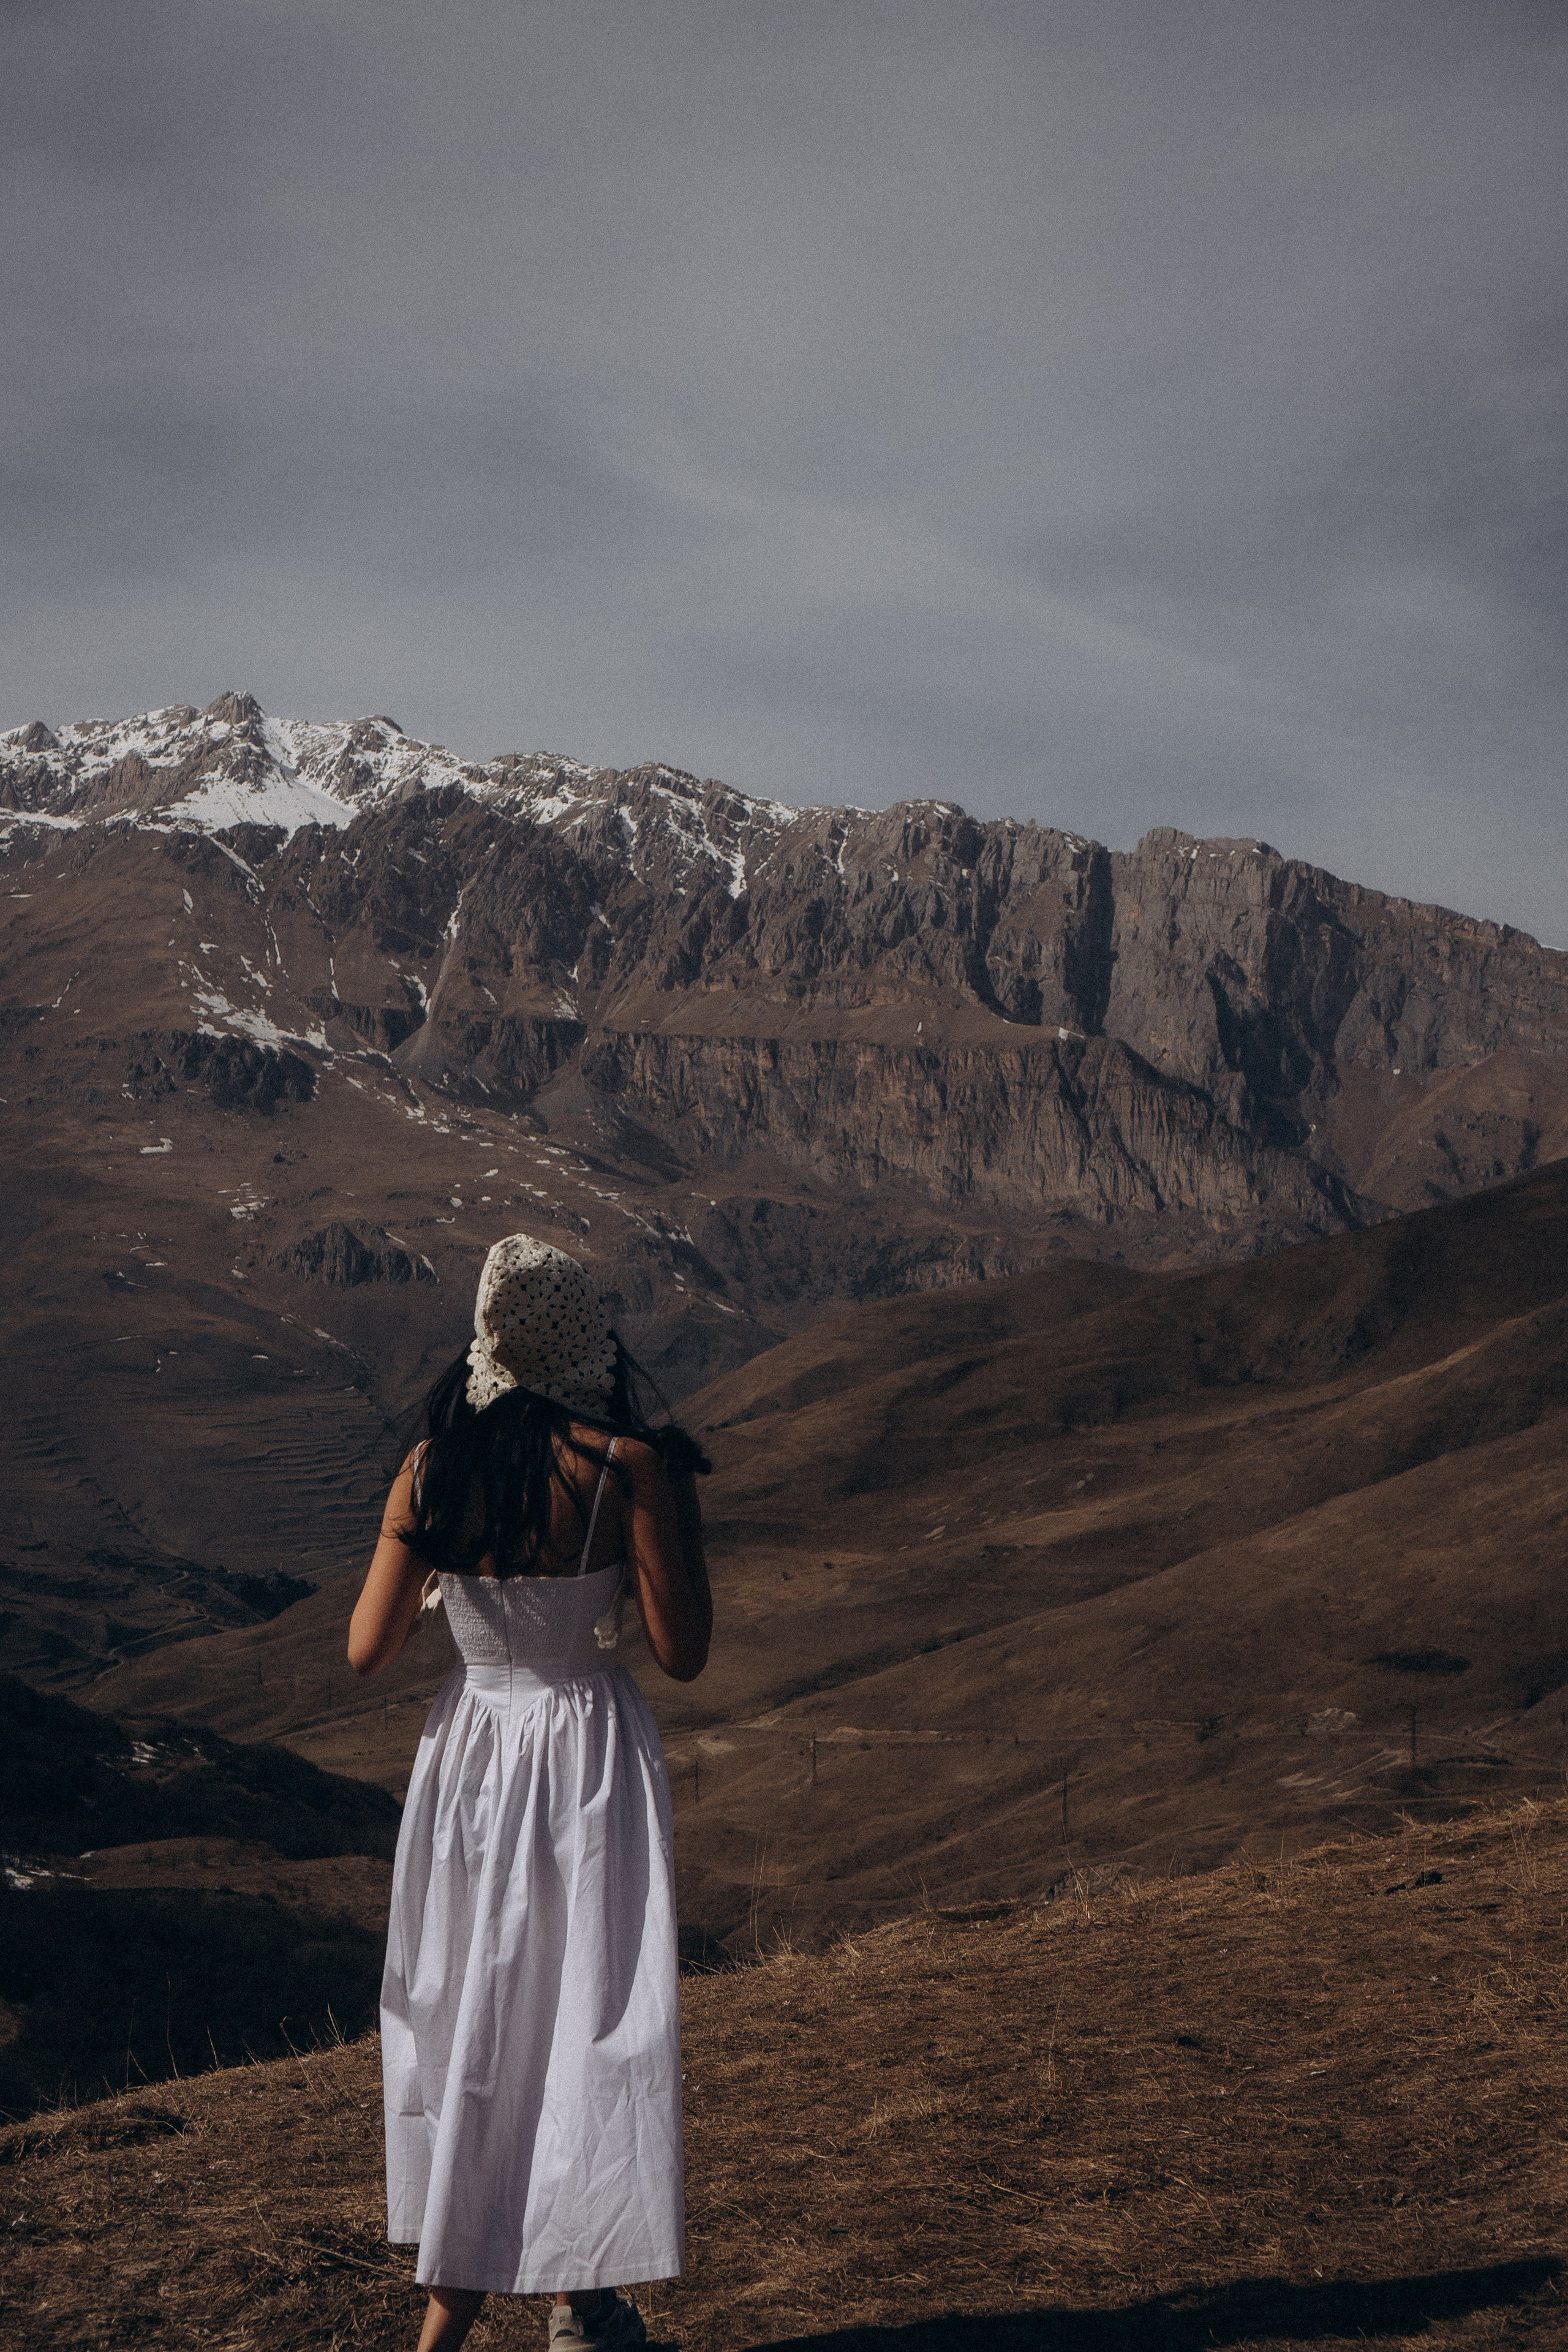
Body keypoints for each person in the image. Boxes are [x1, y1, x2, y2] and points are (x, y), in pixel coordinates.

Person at [348, 1234, 713, 2352]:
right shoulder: (623, 1466)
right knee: (584, 2011)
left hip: (470, 1755)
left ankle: (577, 2295)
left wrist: (449, 1597)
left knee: (469, 2008)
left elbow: (366, 1647)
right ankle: (560, 2296)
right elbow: (682, 1649)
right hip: (585, 1755)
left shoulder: (430, 1468)